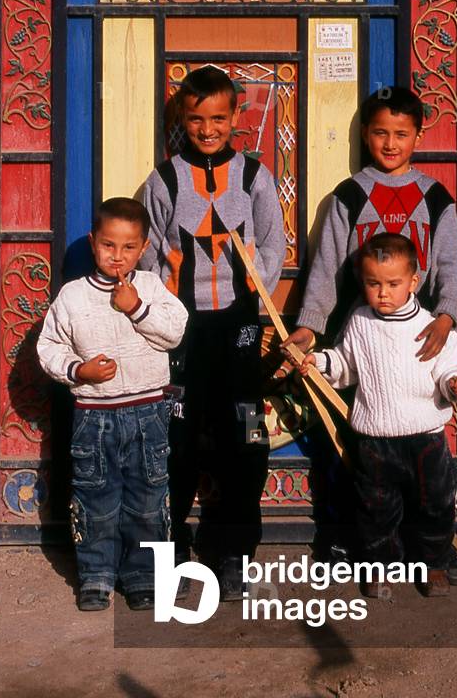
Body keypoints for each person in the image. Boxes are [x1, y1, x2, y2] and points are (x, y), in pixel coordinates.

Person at [282, 85, 457, 583]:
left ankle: (429, 550)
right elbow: (324, 269)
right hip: (359, 335)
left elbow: (451, 263)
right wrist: (309, 328)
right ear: (366, 135)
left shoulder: (435, 197)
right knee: (361, 460)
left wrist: (446, 316)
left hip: (418, 332)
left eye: (401, 134)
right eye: (381, 133)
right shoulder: (348, 195)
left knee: (427, 465)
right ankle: (356, 546)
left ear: (417, 135)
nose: (390, 143)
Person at [140, 65, 286, 600]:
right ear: (183, 117)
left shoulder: (254, 176)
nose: (207, 130)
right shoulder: (163, 180)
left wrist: (256, 281)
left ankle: (233, 551)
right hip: (181, 333)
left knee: (244, 438)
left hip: (240, 329)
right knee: (175, 440)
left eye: (218, 119)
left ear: (235, 117)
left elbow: (274, 245)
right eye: (197, 119)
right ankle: (170, 551)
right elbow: (148, 252)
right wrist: (163, 292)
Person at [295, 233, 457, 599]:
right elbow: (345, 364)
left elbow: (449, 365)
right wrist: (320, 362)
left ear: (413, 282)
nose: (383, 293)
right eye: (374, 284)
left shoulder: (432, 327)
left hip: (425, 438)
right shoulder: (359, 322)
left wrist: (455, 382)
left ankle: (433, 563)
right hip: (375, 441)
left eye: (393, 284)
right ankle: (379, 567)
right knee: (376, 509)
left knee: (435, 504)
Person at [37, 198, 188, 612]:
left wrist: (136, 307)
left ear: (143, 249)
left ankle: (142, 576)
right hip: (93, 416)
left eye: (127, 247)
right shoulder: (72, 297)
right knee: (95, 498)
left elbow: (175, 331)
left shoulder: (153, 288)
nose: (116, 256)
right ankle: (96, 576)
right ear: (93, 243)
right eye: (108, 245)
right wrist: (78, 370)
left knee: (147, 499)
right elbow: (48, 346)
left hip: (147, 414)